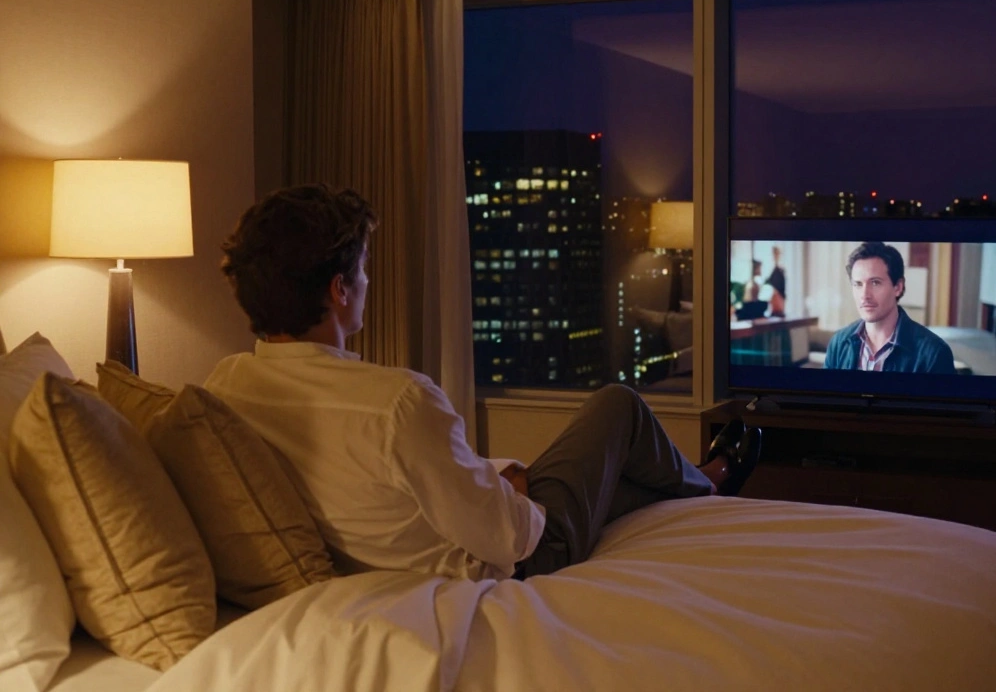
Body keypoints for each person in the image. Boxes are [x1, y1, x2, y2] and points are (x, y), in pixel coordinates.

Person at [205, 184, 759, 582]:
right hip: (517, 562)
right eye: (364, 268)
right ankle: (706, 482)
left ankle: (702, 480)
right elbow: (510, 538)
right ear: (339, 290)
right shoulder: (397, 402)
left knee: (599, 475)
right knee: (618, 407)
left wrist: (492, 478)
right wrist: (509, 488)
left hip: (393, 546)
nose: (369, 280)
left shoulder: (225, 386)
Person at [824, 241, 956, 374]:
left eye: (875, 283)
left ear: (898, 287)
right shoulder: (838, 343)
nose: (864, 295)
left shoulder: (934, 353)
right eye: (858, 284)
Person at [764, 245, 787, 317]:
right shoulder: (770, 269)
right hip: (774, 296)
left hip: (780, 296)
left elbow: (782, 286)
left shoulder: (781, 270)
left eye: (777, 253)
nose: (776, 255)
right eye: (775, 253)